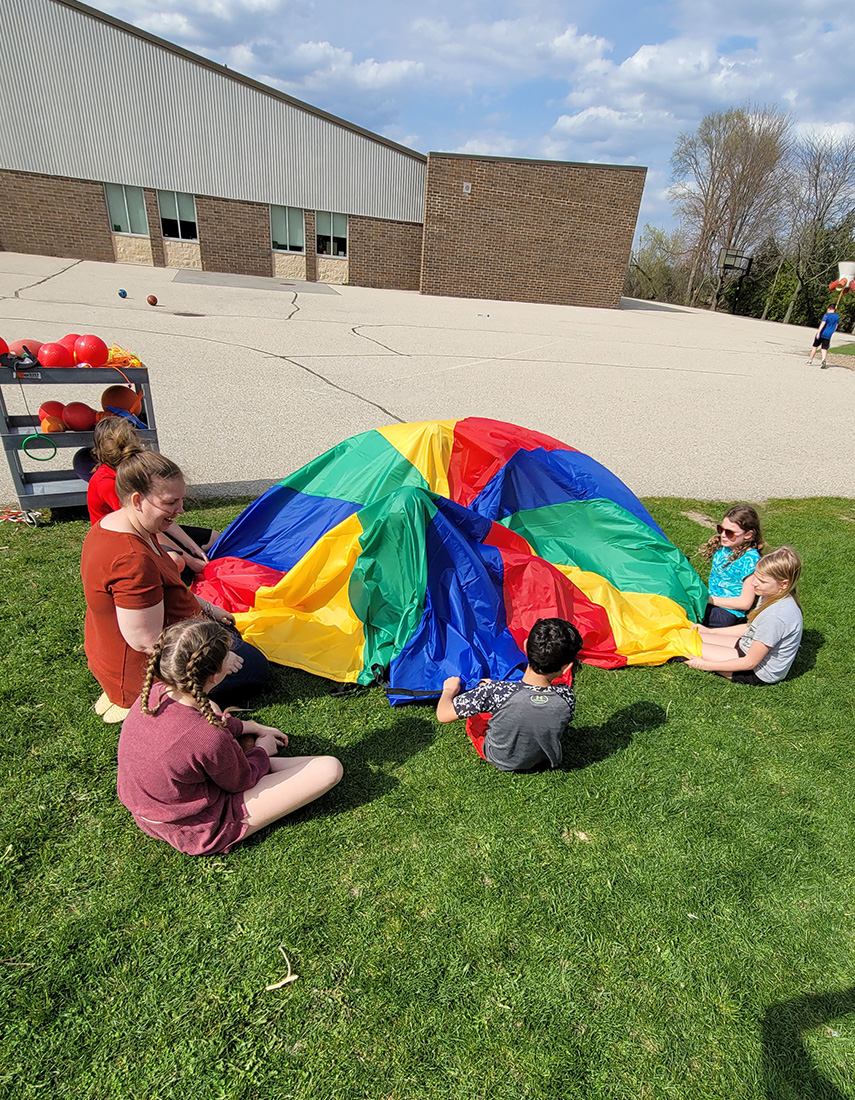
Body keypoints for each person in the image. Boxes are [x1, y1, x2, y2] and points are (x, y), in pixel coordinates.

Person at [117, 619, 343, 855]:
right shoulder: (208, 735)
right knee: (328, 768)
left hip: (153, 808)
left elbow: (204, 726)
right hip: (195, 826)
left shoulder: (155, 693)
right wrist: (262, 750)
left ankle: (250, 758)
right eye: (227, 657)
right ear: (214, 676)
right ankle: (259, 760)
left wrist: (247, 726)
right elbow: (241, 781)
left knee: (212, 708)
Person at [81, 450, 268, 723]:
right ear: (138, 500)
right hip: (142, 675)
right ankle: (156, 699)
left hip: (149, 646)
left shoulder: (123, 527)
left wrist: (207, 608)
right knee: (255, 668)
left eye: (181, 500)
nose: (180, 510)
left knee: (229, 630)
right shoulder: (132, 560)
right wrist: (218, 658)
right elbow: (146, 640)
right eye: (171, 502)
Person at [435, 618, 583, 771]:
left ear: (526, 646)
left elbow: (443, 714)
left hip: (498, 757)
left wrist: (449, 691)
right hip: (543, 759)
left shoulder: (496, 692)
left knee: (477, 719)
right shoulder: (567, 697)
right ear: (567, 668)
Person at [87, 417, 218, 583]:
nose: (181, 510)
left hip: (150, 525)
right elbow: (150, 527)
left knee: (213, 540)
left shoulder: (137, 471)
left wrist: (192, 546)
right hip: (129, 537)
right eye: (172, 502)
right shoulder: (107, 483)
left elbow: (162, 515)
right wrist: (190, 560)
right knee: (177, 562)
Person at [686, 547, 803, 685]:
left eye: (762, 581)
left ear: (784, 584)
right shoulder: (770, 594)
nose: (754, 583)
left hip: (757, 671)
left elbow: (749, 662)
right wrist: (711, 631)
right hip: (748, 645)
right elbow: (751, 628)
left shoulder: (776, 616)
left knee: (686, 646)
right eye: (756, 577)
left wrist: (705, 665)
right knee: (690, 635)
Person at [699, 505, 764, 628]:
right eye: (721, 529)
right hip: (711, 602)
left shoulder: (750, 560)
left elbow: (745, 603)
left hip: (729, 613)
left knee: (686, 613)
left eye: (730, 532)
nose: (723, 535)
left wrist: (709, 599)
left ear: (748, 535)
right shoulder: (725, 548)